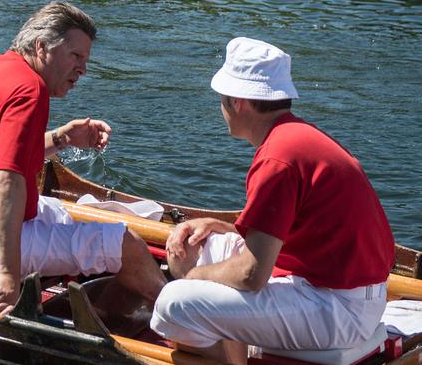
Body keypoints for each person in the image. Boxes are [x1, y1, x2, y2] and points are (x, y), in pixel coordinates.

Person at [151, 38, 394, 364]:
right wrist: (224, 229)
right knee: (211, 246)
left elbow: (252, 274)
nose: (220, 108)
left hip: (336, 309)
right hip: (346, 294)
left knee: (174, 303)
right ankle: (239, 354)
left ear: (237, 102)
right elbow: (289, 229)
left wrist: (193, 278)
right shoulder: (296, 139)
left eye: (222, 100)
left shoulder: (277, 158)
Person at [0, 2, 166, 315]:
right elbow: (6, 179)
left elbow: (4, 156)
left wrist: (62, 138)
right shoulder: (30, 91)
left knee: (70, 217)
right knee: (127, 245)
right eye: (76, 56)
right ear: (41, 46)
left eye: (85, 60)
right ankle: (188, 321)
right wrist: (7, 275)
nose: (83, 69)